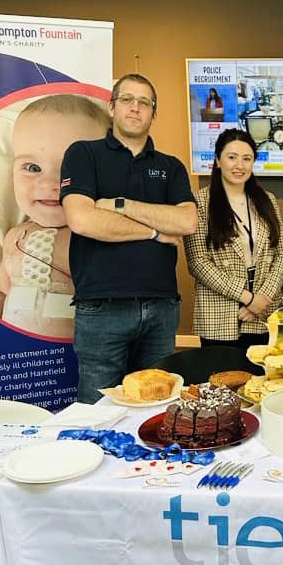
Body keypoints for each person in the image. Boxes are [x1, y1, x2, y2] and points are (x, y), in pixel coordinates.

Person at [60, 73, 198, 403]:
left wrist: (120, 205)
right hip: (102, 308)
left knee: (157, 408)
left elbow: (187, 220)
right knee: (97, 411)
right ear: (112, 107)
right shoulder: (83, 154)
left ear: (153, 113)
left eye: (145, 103)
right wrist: (154, 230)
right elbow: (82, 219)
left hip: (161, 309)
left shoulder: (171, 167)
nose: (135, 108)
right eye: (127, 100)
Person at [0, 95, 110, 339]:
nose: (51, 183)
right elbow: (1, 292)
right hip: (21, 361)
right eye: (32, 168)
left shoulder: (95, 239)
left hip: (77, 363)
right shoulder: (14, 237)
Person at [183, 129, 283, 348]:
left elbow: (282, 253)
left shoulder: (266, 200)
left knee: (264, 379)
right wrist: (248, 299)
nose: (239, 165)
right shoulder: (200, 202)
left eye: (246, 159)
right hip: (219, 314)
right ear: (218, 160)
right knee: (222, 380)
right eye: (232, 157)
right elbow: (198, 263)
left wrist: (262, 299)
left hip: (264, 312)